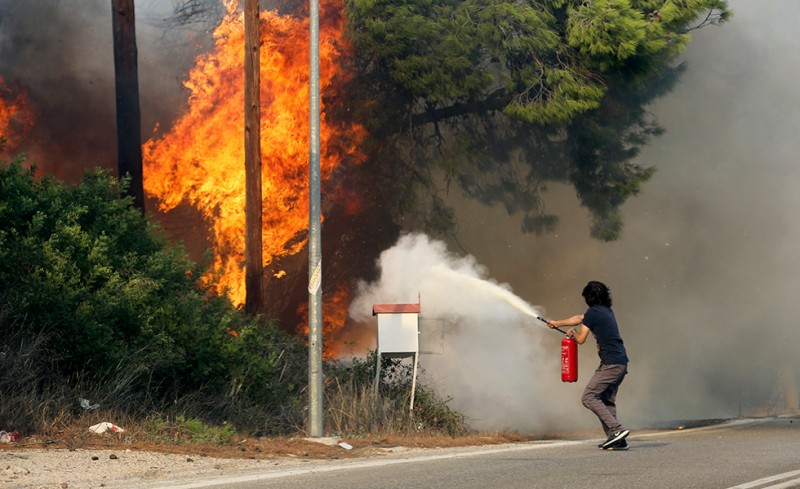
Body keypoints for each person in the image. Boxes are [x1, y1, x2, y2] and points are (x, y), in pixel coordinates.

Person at [547, 280, 630, 450]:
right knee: (606, 400)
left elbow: (581, 339)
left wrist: (572, 333)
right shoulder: (605, 311)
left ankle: (616, 430)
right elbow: (578, 319)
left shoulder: (593, 313)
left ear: (588, 297)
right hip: (620, 362)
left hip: (612, 364)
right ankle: (618, 440)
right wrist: (557, 323)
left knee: (589, 396)